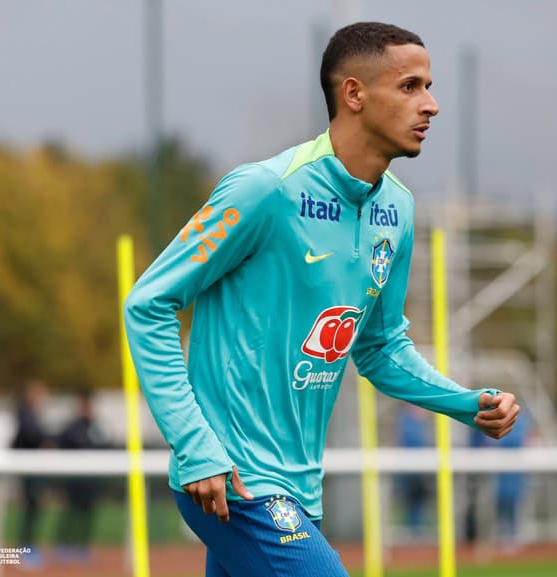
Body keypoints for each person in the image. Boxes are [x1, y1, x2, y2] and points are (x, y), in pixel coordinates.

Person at [124, 21, 521, 577]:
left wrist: (465, 403)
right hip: (236, 481)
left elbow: (380, 347)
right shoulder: (265, 191)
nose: (430, 105)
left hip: (298, 485)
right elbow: (148, 305)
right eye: (410, 86)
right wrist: (196, 446)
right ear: (354, 93)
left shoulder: (397, 211)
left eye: (429, 87)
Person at [55, 389, 111, 564]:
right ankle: (63, 546)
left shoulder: (97, 428)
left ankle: (82, 547)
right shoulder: (71, 428)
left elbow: (107, 448)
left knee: (87, 516)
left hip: (91, 483)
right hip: (73, 483)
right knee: (70, 515)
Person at [464, 410, 531, 551]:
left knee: (511, 508)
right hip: (492, 478)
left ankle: (510, 539)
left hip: (510, 477)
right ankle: (489, 540)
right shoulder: (485, 418)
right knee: (490, 510)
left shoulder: (518, 422)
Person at [10, 378, 50, 565]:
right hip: (27, 470)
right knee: (30, 510)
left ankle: (27, 547)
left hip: (34, 470)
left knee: (33, 510)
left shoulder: (31, 415)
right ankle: (25, 549)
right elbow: (33, 436)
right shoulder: (25, 415)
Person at [395, 404, 432, 534]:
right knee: (411, 501)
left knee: (418, 502)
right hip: (410, 470)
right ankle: (413, 531)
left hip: (419, 470)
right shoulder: (409, 423)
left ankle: (416, 531)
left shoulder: (416, 423)